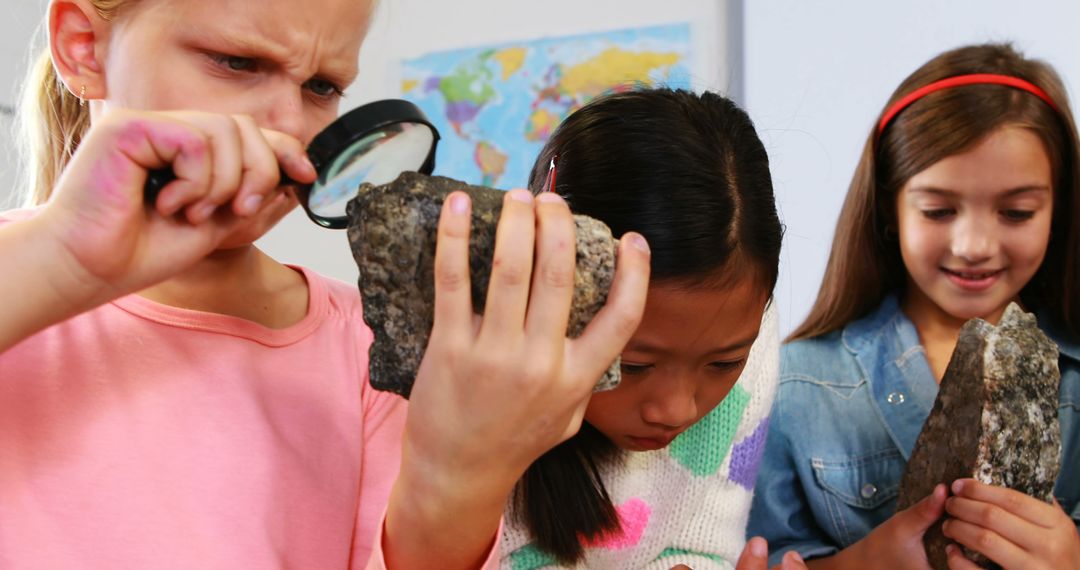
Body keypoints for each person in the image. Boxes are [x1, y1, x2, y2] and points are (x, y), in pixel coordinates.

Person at [0, 1, 653, 568]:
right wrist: (65, 261)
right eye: (235, 61)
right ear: (83, 48)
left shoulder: (367, 357)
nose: (289, 126)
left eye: (321, 86)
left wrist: (457, 484)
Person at [748, 43, 1080, 569]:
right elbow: (747, 555)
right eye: (939, 210)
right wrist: (862, 563)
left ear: (1058, 210)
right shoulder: (793, 386)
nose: (974, 244)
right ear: (889, 206)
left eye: (1016, 212)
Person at [497, 88, 801, 570]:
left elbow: (702, 543)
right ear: (549, 291)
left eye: (724, 363)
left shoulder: (748, 331)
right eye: (633, 364)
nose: (676, 410)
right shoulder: (477, 380)